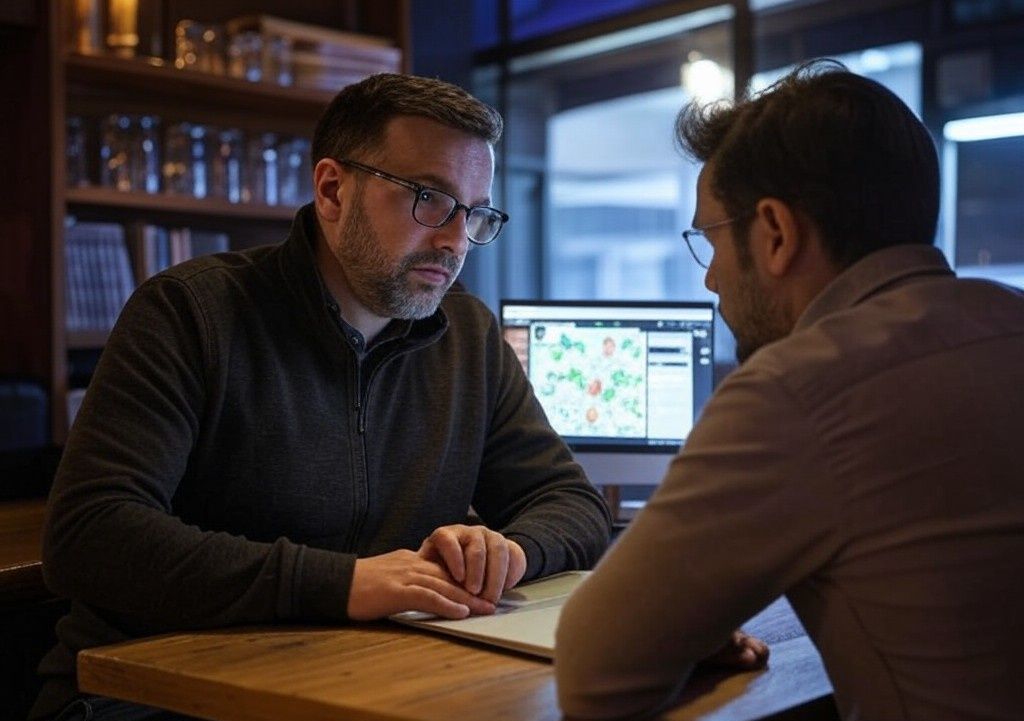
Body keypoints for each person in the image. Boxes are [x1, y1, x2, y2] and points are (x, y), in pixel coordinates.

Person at [32, 74, 612, 720]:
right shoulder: (190, 312)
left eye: (475, 213)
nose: (455, 241)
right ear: (333, 190)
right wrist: (346, 583)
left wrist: (510, 551)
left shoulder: (469, 338)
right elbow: (90, 533)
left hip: (349, 684)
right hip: (149, 695)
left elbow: (574, 504)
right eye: (429, 198)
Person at [555, 59, 1024, 721]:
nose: (710, 278)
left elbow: (593, 673)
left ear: (774, 232)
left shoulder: (795, 390)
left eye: (709, 240)